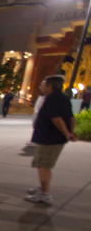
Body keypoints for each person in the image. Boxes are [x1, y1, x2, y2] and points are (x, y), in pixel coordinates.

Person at [26, 75, 76, 205]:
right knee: (44, 165)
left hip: (49, 139)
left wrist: (66, 133)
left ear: (50, 87)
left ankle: (45, 194)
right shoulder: (64, 98)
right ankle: (43, 188)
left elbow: (57, 119)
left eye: (42, 84)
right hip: (52, 138)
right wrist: (70, 132)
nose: (40, 87)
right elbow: (71, 118)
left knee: (43, 166)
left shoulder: (52, 99)